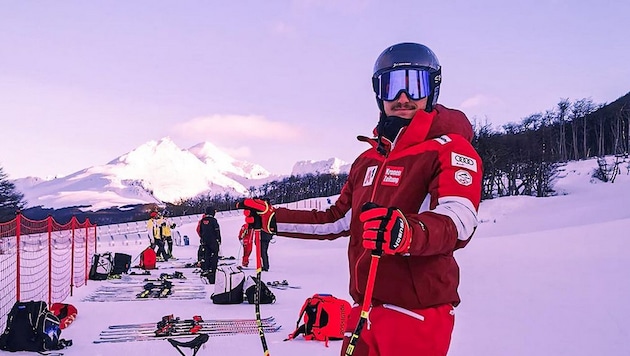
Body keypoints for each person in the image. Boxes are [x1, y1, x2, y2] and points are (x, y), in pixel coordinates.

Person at [241, 42, 482, 355]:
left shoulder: (448, 148)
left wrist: (408, 232)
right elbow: (336, 218)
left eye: (415, 84)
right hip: (364, 311)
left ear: (432, 89)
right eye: (391, 86)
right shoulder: (367, 160)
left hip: (415, 313)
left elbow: (459, 219)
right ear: (378, 92)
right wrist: (272, 219)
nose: (403, 98)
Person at [196, 206, 221, 283]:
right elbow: (217, 230)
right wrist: (219, 240)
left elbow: (199, 230)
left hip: (204, 241)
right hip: (213, 241)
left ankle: (206, 268)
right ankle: (212, 271)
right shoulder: (213, 220)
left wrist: (202, 238)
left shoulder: (202, 220)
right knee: (214, 255)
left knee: (206, 255)